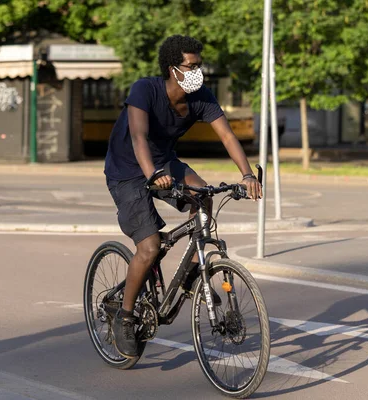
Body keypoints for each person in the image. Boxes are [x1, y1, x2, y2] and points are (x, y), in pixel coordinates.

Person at [104, 34, 262, 358]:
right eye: (191, 66)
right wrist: (151, 175)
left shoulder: (200, 97)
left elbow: (227, 135)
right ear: (172, 68)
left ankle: (193, 269)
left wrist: (246, 175)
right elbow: (138, 137)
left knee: (204, 197)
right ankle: (126, 314)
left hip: (163, 163)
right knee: (149, 247)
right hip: (127, 171)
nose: (197, 72)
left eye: (199, 66)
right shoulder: (144, 90)